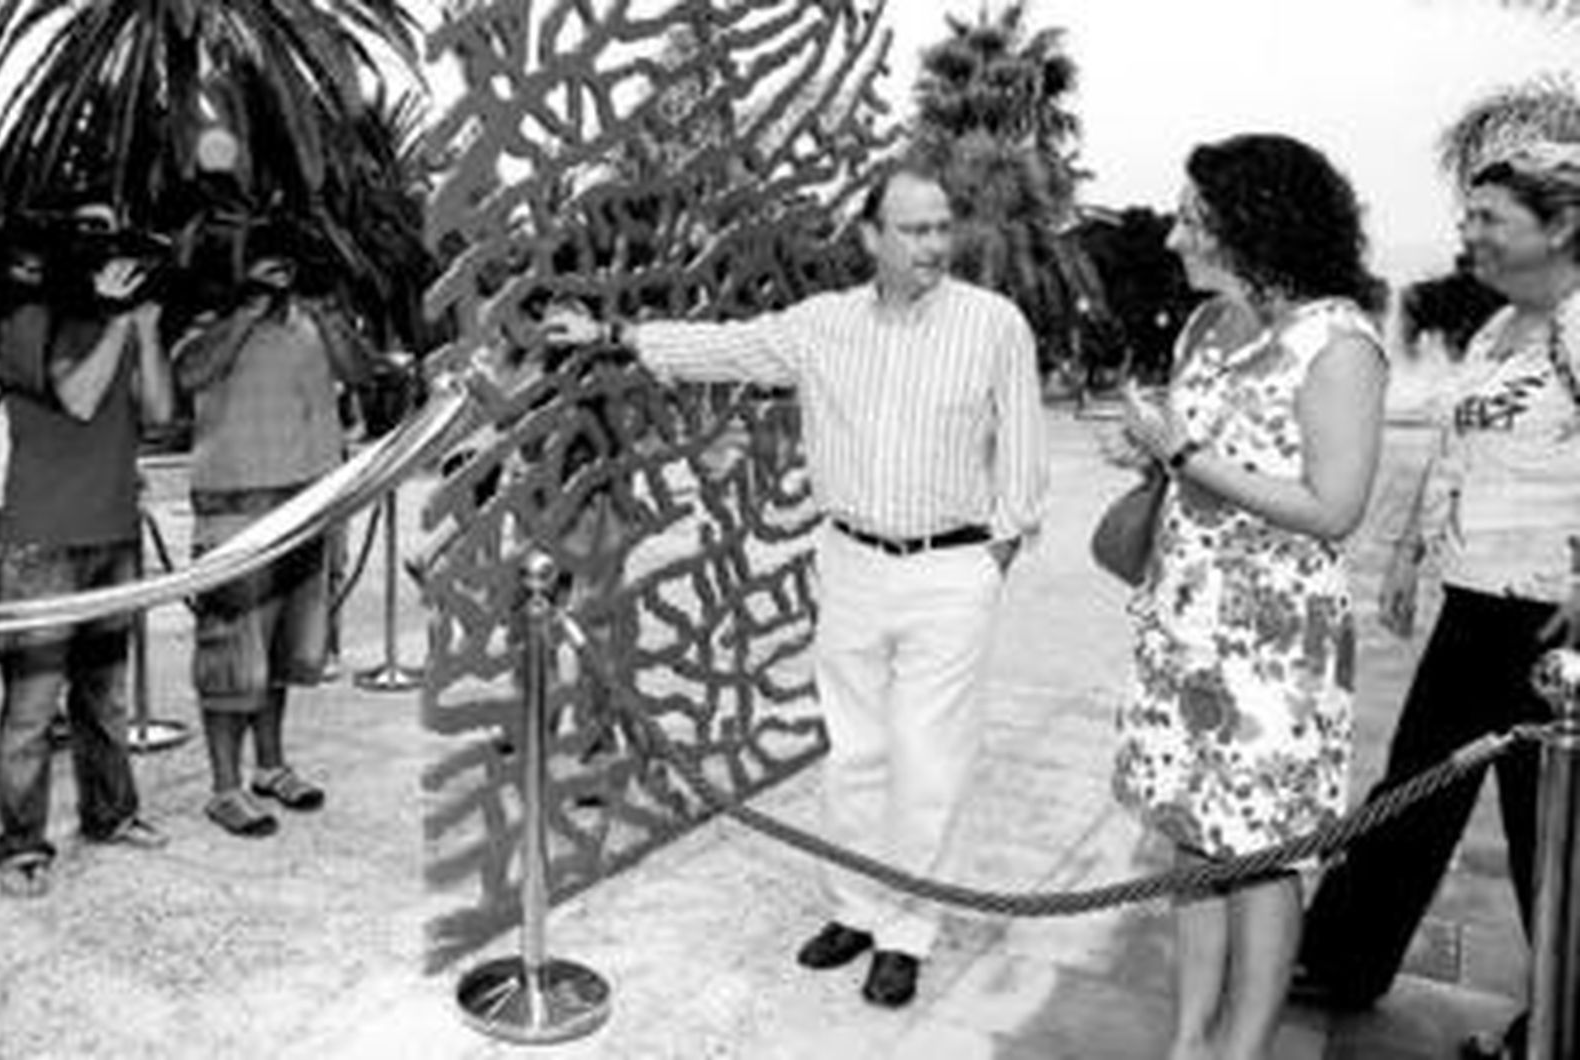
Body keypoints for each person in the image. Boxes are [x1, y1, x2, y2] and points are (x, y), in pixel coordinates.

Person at [543, 159, 1049, 1008]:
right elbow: (727, 347)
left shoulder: (995, 324)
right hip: (848, 560)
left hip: (950, 571)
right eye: (914, 229)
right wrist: (614, 336)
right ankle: (855, 906)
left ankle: (906, 933)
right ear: (870, 239)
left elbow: (1025, 463)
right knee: (854, 753)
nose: (935, 244)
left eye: (941, 226)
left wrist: (988, 561)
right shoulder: (821, 325)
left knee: (930, 762)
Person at [1291, 136, 1580, 1060]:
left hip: (1549, 621)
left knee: (1554, 833)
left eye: (1492, 218)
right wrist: (1411, 551)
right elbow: (1459, 449)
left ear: (1563, 224)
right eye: (1468, 218)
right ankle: (1343, 958)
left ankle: (1561, 1026)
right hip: (1475, 603)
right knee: (1416, 786)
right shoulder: (1502, 331)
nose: (1471, 236)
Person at [1112, 133, 1387, 1060]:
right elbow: (1199, 454)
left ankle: (1245, 1049)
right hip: (1184, 620)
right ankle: (1188, 1039)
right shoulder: (1202, 328)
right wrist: (1155, 447)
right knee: (1195, 842)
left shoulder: (1338, 344)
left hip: (1275, 640)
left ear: (1252, 224)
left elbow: (1335, 508)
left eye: (1192, 219)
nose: (1174, 238)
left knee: (1262, 858)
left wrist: (1190, 455)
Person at [0, 219, 176, 899]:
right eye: (91, 240)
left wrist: (147, 331)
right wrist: (122, 322)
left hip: (113, 533)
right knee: (33, 707)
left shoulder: (120, 324)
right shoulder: (22, 321)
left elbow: (157, 413)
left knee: (104, 697)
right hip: (42, 541)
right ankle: (20, 846)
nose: (111, 255)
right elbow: (78, 397)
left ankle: (110, 813)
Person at [173, 250, 374, 837]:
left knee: (286, 653)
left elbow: (362, 373)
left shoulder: (312, 321)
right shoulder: (209, 320)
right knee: (230, 653)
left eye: (286, 267)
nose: (280, 277)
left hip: (310, 505)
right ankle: (224, 788)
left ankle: (270, 766)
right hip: (236, 510)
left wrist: (331, 313)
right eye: (266, 267)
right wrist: (245, 310)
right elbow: (189, 375)